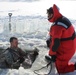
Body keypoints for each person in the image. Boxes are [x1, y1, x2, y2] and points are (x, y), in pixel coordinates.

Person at [46, 4, 76, 74]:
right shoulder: (61, 19)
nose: (48, 17)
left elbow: (56, 43)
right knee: (51, 43)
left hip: (66, 50)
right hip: (70, 45)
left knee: (61, 69)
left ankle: (74, 66)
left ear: (53, 14)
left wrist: (52, 54)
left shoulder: (57, 26)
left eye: (49, 15)